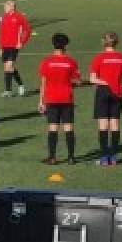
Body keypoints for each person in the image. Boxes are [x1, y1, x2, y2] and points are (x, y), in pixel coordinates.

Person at [39, 33, 81, 165]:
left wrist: (41, 101)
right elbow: (78, 81)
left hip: (51, 99)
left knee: (53, 128)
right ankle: (71, 157)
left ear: (53, 44)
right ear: (66, 45)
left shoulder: (47, 62)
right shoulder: (71, 62)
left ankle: (52, 157)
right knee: (68, 127)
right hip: (67, 98)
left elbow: (43, 83)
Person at [90, 32, 122, 166]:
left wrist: (105, 83)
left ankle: (104, 157)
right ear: (116, 42)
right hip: (117, 92)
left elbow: (92, 79)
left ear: (104, 42)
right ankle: (114, 156)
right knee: (115, 123)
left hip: (103, 91)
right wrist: (121, 91)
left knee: (103, 124)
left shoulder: (99, 58)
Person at [0, 0, 32, 97]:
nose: (4, 8)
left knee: (9, 66)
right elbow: (2, 33)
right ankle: (12, 89)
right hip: (5, 46)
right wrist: (0, 47)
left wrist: (21, 42)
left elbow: (27, 30)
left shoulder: (19, 17)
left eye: (6, 6)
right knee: (7, 68)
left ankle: (15, 88)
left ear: (11, 7)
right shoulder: (4, 18)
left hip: (14, 46)